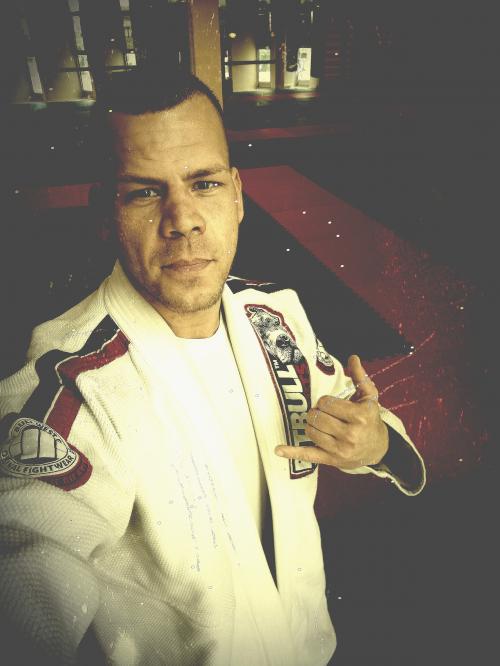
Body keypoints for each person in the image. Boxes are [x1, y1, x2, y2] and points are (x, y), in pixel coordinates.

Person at [0, 66, 425, 665]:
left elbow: (364, 424)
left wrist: (374, 443)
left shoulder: (276, 319)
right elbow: (26, 558)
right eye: (144, 192)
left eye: (204, 184)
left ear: (237, 195)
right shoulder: (75, 389)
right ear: (104, 212)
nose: (183, 219)